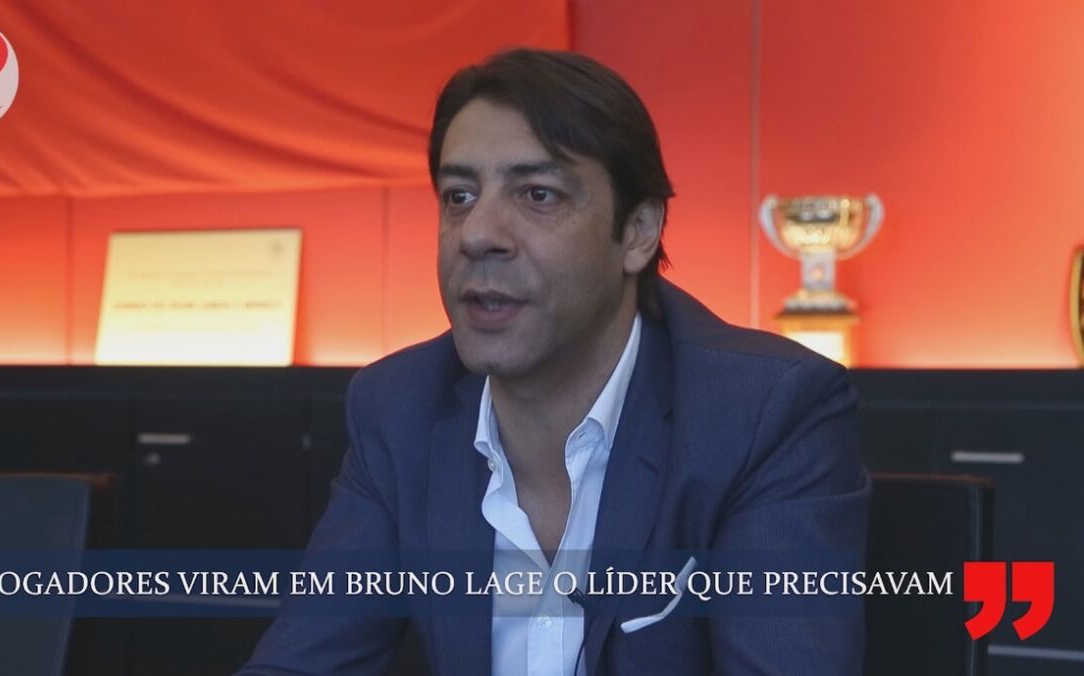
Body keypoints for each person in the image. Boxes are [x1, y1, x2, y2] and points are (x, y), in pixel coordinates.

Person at [239, 48, 869, 676]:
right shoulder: (398, 409)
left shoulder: (760, 414)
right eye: (459, 196)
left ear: (638, 232)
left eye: (537, 194)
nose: (477, 233)